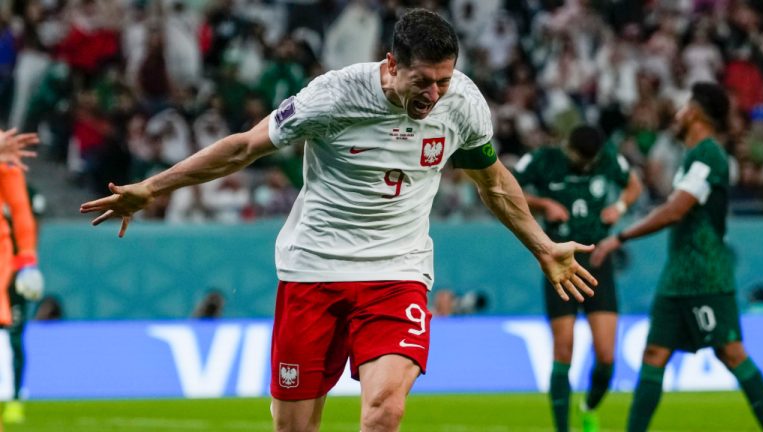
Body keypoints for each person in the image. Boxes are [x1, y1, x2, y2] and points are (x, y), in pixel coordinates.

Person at [81, 9, 597, 432]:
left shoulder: (462, 103)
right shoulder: (333, 96)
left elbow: (494, 183)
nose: (434, 94)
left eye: (443, 80)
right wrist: (152, 187)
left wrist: (543, 245)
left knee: (385, 411)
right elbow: (242, 149)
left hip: (397, 274)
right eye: (423, 81)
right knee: (295, 428)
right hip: (314, 271)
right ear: (392, 65)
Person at [591, 82, 763, 432]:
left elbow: (676, 211)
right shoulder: (692, 157)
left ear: (697, 113)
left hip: (705, 275)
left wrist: (620, 237)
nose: (677, 113)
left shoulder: (709, 155)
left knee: (731, 352)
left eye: (684, 106)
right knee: (653, 355)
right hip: (677, 279)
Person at [514, 124, 642, 432]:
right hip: (560, 262)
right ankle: (562, 428)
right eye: (579, 158)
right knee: (563, 348)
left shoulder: (608, 158)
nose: (584, 165)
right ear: (567, 146)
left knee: (607, 356)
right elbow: (508, 189)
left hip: (598, 262)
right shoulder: (543, 160)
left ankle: (589, 407)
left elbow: (633, 185)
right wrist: (543, 204)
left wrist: (620, 206)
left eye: (589, 160)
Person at [0, 135, 44, 426]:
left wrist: (27, 260)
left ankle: (14, 399)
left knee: (13, 338)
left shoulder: (5, 162)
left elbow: (20, 208)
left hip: (6, 265)